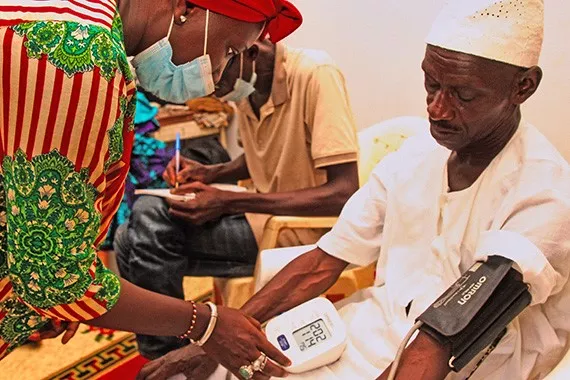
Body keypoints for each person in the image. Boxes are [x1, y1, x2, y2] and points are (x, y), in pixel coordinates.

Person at [138, 0, 570, 379]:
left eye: (463, 95)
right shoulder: (419, 153)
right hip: (373, 329)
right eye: (431, 84)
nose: (436, 108)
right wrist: (207, 343)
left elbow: (447, 332)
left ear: (523, 87)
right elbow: (324, 262)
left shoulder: (544, 192)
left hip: (471, 361)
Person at [0, 0, 303, 375]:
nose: (217, 75)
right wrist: (206, 324)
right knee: (146, 223)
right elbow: (53, 276)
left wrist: (52, 297)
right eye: (227, 52)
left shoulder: (74, 19)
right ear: (185, 8)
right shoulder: (84, 53)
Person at [115, 37, 360, 359]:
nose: (215, 90)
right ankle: (170, 356)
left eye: (217, 79)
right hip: (260, 213)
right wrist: (211, 173)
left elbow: (344, 193)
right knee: (127, 236)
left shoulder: (315, 73)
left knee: (146, 219)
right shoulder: (247, 82)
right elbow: (259, 157)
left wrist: (229, 201)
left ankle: (168, 357)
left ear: (249, 52)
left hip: (301, 233)